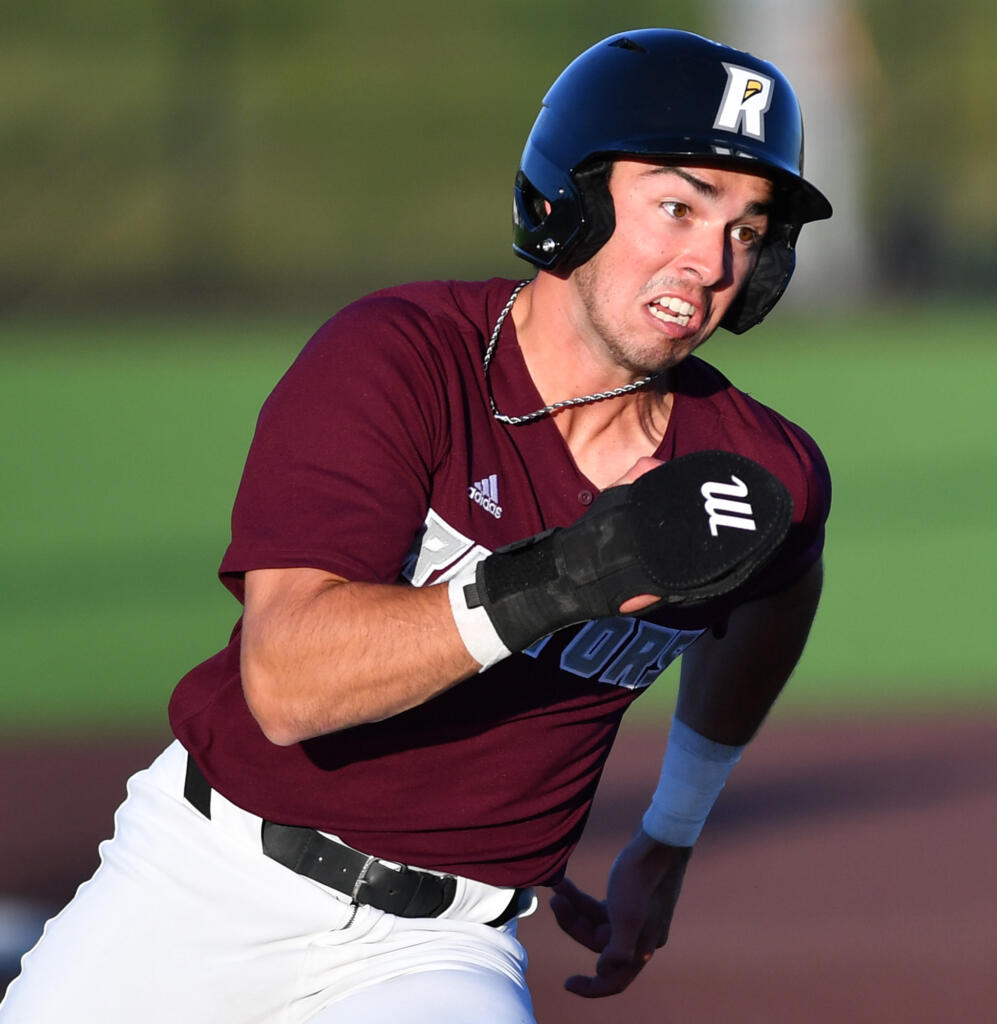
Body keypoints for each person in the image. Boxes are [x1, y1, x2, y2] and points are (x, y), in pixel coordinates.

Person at [1, 27, 832, 1024]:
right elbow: (286, 684)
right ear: (566, 202)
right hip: (196, 889)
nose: (711, 260)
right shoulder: (400, 361)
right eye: (676, 207)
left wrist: (673, 827)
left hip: (434, 952)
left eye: (747, 228)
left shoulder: (754, 469)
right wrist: (564, 578)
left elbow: (778, 585)